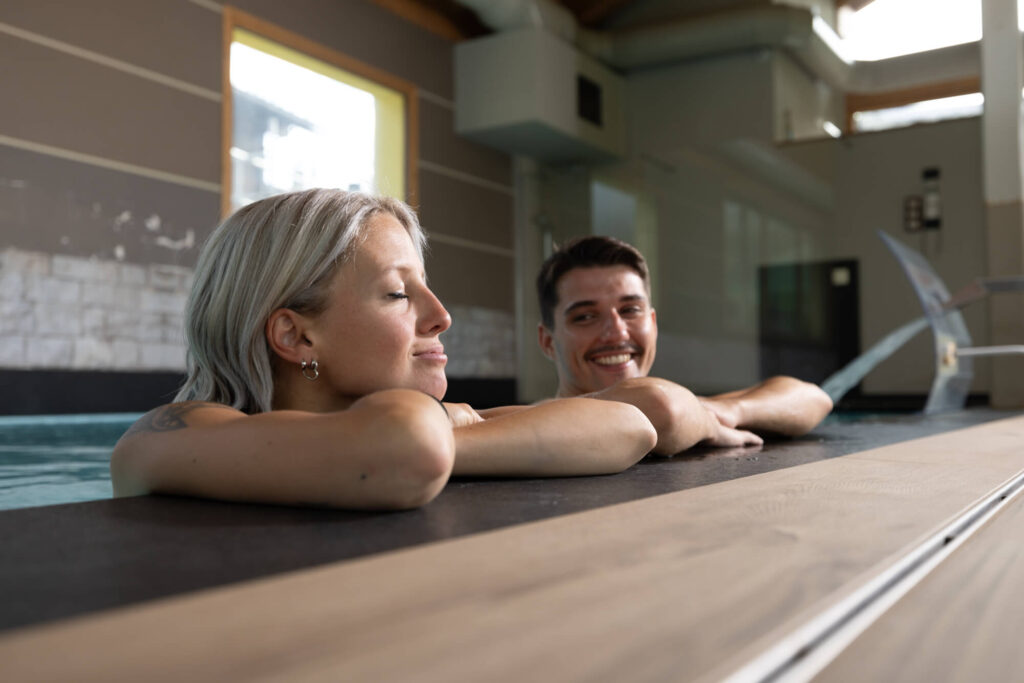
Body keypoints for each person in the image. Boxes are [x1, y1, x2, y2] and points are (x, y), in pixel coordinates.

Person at [111, 190, 656, 510]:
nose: (441, 315)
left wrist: (441, 435)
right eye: (398, 293)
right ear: (296, 336)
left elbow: (627, 426)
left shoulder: (411, 428)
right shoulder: (168, 436)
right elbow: (404, 446)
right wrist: (439, 430)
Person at [536, 235, 833, 455]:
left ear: (652, 323)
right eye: (586, 316)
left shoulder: (685, 411)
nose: (615, 332)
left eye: (630, 311)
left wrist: (723, 412)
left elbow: (812, 398)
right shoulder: (530, 427)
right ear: (548, 341)